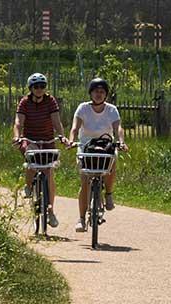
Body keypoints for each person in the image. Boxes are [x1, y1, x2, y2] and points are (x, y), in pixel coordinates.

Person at [70, 78, 127, 232]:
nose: (99, 94)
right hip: (86, 147)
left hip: (105, 145)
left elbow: (118, 128)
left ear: (106, 95)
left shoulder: (111, 110)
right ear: (90, 93)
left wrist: (121, 141)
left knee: (112, 159)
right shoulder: (83, 108)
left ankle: (108, 193)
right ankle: (81, 219)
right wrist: (71, 141)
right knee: (85, 182)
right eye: (96, 91)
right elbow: (75, 128)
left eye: (102, 92)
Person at [14, 73, 67, 227]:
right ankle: (28, 186)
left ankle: (50, 212)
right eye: (36, 87)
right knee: (32, 158)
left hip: (48, 140)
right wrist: (17, 137)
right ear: (31, 88)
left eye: (42, 86)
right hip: (30, 139)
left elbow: (56, 121)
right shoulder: (24, 102)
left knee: (49, 174)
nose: (39, 89)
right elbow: (18, 122)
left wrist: (62, 136)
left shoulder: (50, 101)